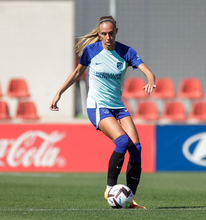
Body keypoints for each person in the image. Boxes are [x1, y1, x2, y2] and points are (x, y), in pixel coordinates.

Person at [49, 16, 156, 209]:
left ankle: (130, 198)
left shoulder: (126, 52)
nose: (108, 37)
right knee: (122, 141)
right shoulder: (91, 51)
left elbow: (148, 71)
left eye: (111, 33)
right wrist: (59, 93)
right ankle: (110, 189)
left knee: (137, 150)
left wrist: (149, 80)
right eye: (104, 34)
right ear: (99, 34)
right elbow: (76, 73)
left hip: (118, 106)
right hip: (97, 106)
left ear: (116, 32)